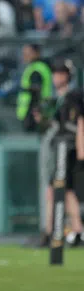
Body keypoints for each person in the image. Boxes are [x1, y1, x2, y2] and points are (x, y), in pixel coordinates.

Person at [38, 62, 84, 246]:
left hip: (68, 150)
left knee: (55, 189)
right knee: (66, 191)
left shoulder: (73, 96)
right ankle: (77, 230)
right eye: (55, 73)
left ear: (67, 76)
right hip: (62, 149)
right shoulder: (59, 99)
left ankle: (51, 233)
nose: (56, 77)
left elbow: (79, 122)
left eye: (60, 73)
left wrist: (81, 151)